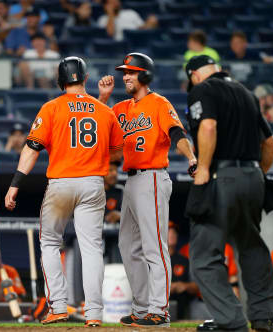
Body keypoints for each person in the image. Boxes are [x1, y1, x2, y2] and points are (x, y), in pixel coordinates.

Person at [5, 56, 124, 328]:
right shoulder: (104, 111)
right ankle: (94, 313)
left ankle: (58, 306)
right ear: (84, 78)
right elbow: (117, 151)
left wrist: (15, 183)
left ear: (60, 80)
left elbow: (31, 149)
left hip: (61, 183)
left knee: (49, 243)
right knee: (92, 248)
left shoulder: (51, 107)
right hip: (93, 184)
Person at [98, 52, 197, 327]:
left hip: (153, 176)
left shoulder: (158, 103)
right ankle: (142, 309)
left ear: (144, 75)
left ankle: (159, 310)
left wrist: (190, 158)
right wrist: (103, 99)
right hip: (130, 180)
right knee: (128, 246)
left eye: (130, 72)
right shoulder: (119, 109)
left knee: (154, 246)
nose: (125, 77)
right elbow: (96, 126)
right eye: (124, 73)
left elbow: (177, 133)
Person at [184, 55, 273, 332]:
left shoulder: (203, 89)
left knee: (203, 255)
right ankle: (262, 318)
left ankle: (231, 321)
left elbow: (208, 126)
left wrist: (202, 169)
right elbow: (270, 143)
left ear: (194, 75)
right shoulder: (247, 93)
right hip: (254, 176)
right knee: (251, 247)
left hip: (221, 177)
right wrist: (256, 173)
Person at [168, 221, 199, 320]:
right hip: (156, 311)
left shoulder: (184, 260)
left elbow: (197, 287)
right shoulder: (152, 260)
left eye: (174, 232)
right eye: (168, 232)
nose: (172, 235)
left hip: (182, 311)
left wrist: (184, 286)